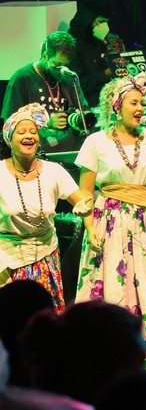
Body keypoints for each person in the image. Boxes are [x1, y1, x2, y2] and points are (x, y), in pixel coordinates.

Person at [74, 73, 146, 359]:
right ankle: (109, 346)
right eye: (134, 103)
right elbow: (85, 192)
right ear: (117, 105)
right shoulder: (96, 142)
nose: (140, 109)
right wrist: (90, 227)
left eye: (142, 103)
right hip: (111, 221)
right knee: (113, 280)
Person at [0, 105, 91, 311]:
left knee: (43, 324)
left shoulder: (53, 171)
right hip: (7, 261)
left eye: (33, 131)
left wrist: (83, 206)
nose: (29, 136)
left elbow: (82, 199)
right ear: (9, 140)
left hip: (45, 256)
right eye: (21, 132)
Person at [1, 32, 80, 136]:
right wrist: (47, 123)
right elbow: (10, 123)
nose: (60, 70)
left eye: (65, 65)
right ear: (44, 56)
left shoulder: (67, 76)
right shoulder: (22, 78)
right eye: (57, 64)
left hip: (69, 145)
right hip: (37, 147)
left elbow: (83, 110)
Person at [67, 0, 126, 107]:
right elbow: (77, 84)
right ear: (87, 18)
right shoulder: (72, 44)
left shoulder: (104, 39)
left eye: (106, 22)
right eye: (100, 22)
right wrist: (105, 73)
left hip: (110, 99)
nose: (104, 27)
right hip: (87, 104)